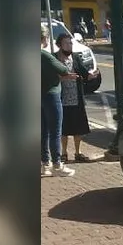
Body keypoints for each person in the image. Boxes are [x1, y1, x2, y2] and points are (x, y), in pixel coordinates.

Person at [41, 26, 77, 177]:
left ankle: (45, 163)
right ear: (44, 38)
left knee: (42, 131)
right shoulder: (45, 55)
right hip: (51, 95)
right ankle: (57, 164)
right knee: (55, 131)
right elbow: (63, 69)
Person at [54, 33, 95, 162]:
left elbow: (83, 72)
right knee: (64, 128)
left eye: (70, 43)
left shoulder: (75, 57)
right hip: (61, 98)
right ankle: (64, 153)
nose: (69, 45)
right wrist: (64, 78)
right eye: (66, 43)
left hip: (76, 97)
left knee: (79, 127)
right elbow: (50, 76)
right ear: (60, 45)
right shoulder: (54, 58)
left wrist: (91, 75)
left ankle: (78, 153)